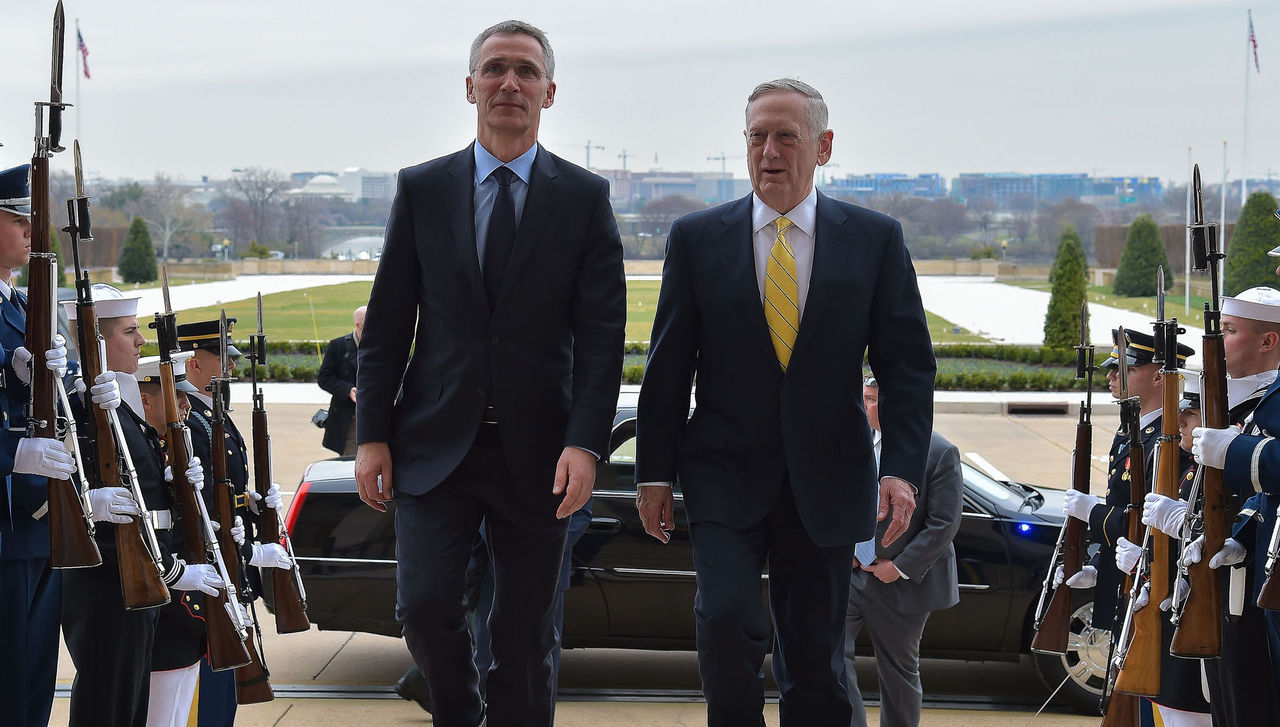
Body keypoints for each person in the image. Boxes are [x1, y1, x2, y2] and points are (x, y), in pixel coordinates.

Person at [635, 79, 935, 726]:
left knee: (817, 662)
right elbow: (667, 368)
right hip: (722, 476)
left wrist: (902, 469)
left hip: (826, 481)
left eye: (786, 137)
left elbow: (906, 367)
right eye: (756, 137)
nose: (768, 151)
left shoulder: (875, 241)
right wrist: (654, 472)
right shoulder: (696, 239)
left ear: (823, 147)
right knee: (724, 625)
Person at [354, 20, 626, 727]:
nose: (511, 82)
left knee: (527, 636)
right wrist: (370, 435)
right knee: (424, 607)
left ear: (550, 92)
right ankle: (459, 712)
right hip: (436, 445)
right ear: (470, 86)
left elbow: (603, 338)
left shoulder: (584, 198)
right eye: (496, 68)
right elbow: (387, 324)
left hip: (542, 455)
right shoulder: (422, 190)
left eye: (526, 71)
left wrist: (586, 442)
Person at [62, 284, 218, 727]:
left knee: (129, 709)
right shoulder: (79, 411)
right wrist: (170, 570)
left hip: (135, 584)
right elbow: (86, 513)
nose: (140, 340)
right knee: (106, 707)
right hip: (109, 587)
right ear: (98, 341)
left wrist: (178, 488)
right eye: (129, 331)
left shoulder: (122, 410)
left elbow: (144, 499)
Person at [1143, 288, 1280, 727]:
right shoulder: (1250, 408)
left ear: (1267, 341)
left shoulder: (1260, 407)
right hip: (1224, 583)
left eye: (1229, 331)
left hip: (1250, 596)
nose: (1219, 342)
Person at [0, 162, 82, 727]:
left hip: (38, 517)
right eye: (18, 218)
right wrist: (12, 459)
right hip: (7, 514)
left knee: (31, 683)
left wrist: (75, 383)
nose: (32, 230)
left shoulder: (19, 306)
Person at [843, 376, 961, 727]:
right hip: (850, 575)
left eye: (877, 400)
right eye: (865, 398)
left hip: (901, 582)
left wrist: (899, 566)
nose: (869, 407)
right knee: (830, 656)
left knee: (898, 674)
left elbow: (944, 523)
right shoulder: (854, 444)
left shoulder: (938, 452)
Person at [1059, 329, 1191, 637]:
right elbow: (1123, 505)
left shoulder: (1168, 440)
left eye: (1127, 370)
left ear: (1160, 377)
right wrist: (1096, 564)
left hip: (1149, 585)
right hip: (1123, 578)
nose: (1111, 376)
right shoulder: (1132, 429)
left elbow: (1153, 522)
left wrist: (1093, 511)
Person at [133, 351, 212, 727]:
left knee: (178, 713)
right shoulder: (142, 450)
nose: (186, 404)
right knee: (160, 716)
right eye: (176, 396)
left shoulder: (164, 447)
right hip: (165, 606)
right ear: (146, 398)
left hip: (184, 609)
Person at [317, 306, 364, 455]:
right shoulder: (338, 346)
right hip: (349, 420)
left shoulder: (382, 346)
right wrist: (348, 390)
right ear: (358, 325)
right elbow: (324, 378)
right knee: (351, 465)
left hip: (377, 419)